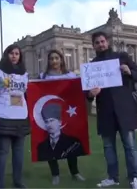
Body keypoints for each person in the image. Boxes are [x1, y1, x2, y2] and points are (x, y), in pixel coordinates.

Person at [85, 31, 137, 189]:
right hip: (105, 112)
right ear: (94, 46)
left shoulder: (122, 57)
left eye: (102, 41)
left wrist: (129, 71)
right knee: (108, 147)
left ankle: (134, 178)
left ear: (107, 42)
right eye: (97, 42)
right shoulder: (92, 65)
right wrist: (91, 93)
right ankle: (112, 177)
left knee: (130, 147)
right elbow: (87, 93)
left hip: (125, 110)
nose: (100, 44)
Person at [0, 44, 30, 189]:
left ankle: (18, 182)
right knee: (2, 152)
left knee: (19, 153)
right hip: (3, 116)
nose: (14, 56)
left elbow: (27, 96)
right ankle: (0, 184)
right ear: (6, 55)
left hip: (21, 118)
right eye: (11, 53)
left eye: (17, 53)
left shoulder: (25, 75)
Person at [37, 49, 85, 185]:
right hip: (49, 111)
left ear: (61, 60)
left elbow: (78, 90)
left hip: (67, 111)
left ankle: (75, 172)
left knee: (70, 144)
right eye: (51, 59)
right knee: (49, 145)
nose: (54, 61)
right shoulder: (43, 76)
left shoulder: (70, 75)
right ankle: (55, 174)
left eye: (56, 58)